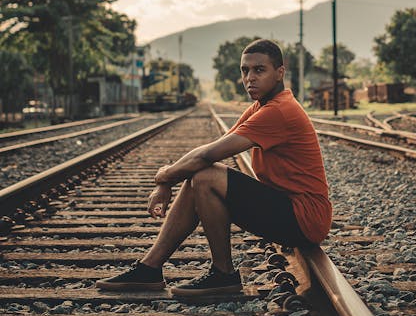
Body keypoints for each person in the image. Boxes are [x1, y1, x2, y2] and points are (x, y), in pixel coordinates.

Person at [96, 39, 332, 297]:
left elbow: (208, 155)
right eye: (245, 70)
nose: (249, 78)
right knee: (199, 176)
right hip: (291, 210)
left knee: (206, 177)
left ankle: (224, 274)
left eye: (259, 70)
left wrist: (162, 177)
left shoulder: (280, 111)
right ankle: (150, 268)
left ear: (280, 73)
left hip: (305, 218)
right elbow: (210, 151)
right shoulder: (260, 107)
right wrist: (167, 181)